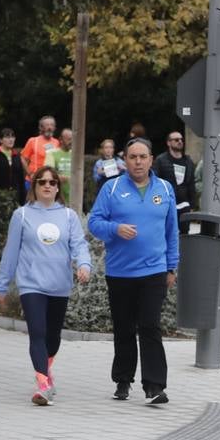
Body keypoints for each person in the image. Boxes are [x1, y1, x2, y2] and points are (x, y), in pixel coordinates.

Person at [87, 137, 178, 404]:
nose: (138, 162)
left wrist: (172, 266)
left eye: (143, 156)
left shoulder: (165, 188)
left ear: (151, 159)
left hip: (154, 271)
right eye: (133, 157)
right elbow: (94, 222)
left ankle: (154, 386)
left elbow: (172, 232)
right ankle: (123, 379)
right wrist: (115, 229)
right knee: (124, 328)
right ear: (124, 160)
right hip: (120, 272)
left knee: (150, 325)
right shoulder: (111, 188)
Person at [0, 165, 92, 405]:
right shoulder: (22, 215)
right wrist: (1, 285)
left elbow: (79, 244)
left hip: (59, 285)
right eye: (42, 181)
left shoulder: (68, 216)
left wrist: (84, 265)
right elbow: (11, 252)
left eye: (52, 182)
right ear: (34, 186)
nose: (47, 185)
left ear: (58, 187)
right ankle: (43, 384)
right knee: (37, 332)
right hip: (31, 285)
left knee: (53, 337)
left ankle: (46, 370)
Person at [154, 131, 196, 231]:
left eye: (181, 140)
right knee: (167, 233)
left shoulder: (188, 161)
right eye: (176, 140)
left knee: (184, 235)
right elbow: (155, 183)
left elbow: (191, 184)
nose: (180, 141)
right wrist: (157, 203)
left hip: (184, 205)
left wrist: (192, 204)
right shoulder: (161, 160)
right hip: (166, 204)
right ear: (169, 143)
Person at [20, 116, 59, 186]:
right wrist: (30, 173)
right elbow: (22, 158)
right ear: (41, 127)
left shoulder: (57, 143)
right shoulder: (33, 141)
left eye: (52, 125)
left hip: (50, 182)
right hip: (33, 180)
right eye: (47, 125)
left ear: (54, 128)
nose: (49, 127)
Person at [45, 128, 76, 200]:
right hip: (57, 196)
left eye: (73, 139)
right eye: (69, 139)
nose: (71, 142)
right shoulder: (52, 153)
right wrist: (63, 178)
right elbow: (48, 173)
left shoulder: (75, 154)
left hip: (73, 196)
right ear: (61, 140)